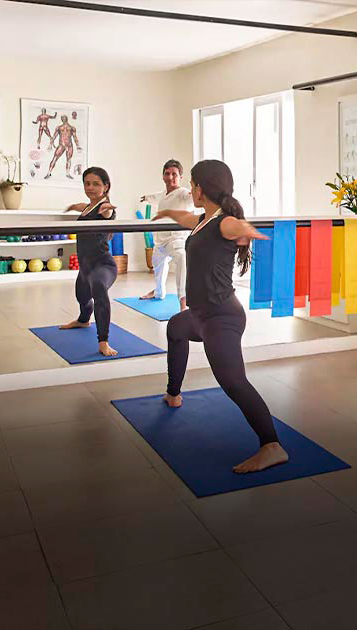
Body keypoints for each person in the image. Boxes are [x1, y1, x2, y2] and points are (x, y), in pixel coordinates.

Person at [153, 159, 288, 473]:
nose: (190, 188)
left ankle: (272, 446)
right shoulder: (204, 219)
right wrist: (168, 213)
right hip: (200, 314)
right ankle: (173, 395)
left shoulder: (225, 221)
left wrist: (251, 233)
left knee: (233, 382)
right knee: (175, 328)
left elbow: (237, 228)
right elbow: (188, 218)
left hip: (220, 318)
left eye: (193, 183)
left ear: (201, 188)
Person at [60, 167, 118, 356]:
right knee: (83, 298)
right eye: (87, 183)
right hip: (85, 267)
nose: (90, 187)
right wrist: (72, 206)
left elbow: (107, 213)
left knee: (99, 288)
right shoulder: (88, 207)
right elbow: (81, 207)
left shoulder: (103, 208)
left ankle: (103, 341)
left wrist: (109, 209)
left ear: (106, 186)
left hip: (103, 265)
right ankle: (83, 320)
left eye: (96, 184)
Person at [139, 159, 193, 311]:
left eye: (174, 174)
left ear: (180, 177)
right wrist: (146, 197)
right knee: (158, 266)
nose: (170, 177)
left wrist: (199, 191)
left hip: (175, 239)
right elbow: (155, 197)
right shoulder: (163, 194)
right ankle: (158, 292)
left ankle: (183, 302)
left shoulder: (183, 194)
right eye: (167, 174)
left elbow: (193, 199)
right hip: (160, 241)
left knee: (182, 258)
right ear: (163, 176)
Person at [45, 115, 80, 179]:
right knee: (55, 158)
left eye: (64, 118)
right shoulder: (59, 128)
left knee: (68, 159)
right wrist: (50, 145)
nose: (64, 119)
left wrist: (77, 146)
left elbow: (75, 137)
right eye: (63, 118)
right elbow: (54, 136)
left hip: (69, 145)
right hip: (62, 145)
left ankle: (67, 173)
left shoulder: (72, 128)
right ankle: (49, 173)